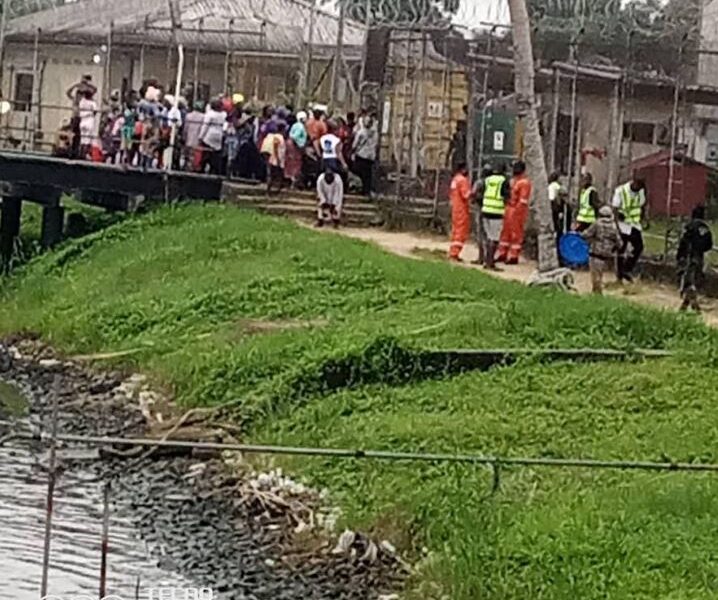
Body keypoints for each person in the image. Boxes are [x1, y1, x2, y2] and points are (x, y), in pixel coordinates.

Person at [677, 206, 714, 312]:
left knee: (687, 280)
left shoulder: (690, 226)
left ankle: (694, 304)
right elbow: (709, 244)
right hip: (700, 256)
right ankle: (685, 305)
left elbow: (684, 241)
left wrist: (680, 255)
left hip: (689, 255)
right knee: (695, 280)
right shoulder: (706, 228)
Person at [581, 205, 622, 295]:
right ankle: (596, 292)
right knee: (601, 274)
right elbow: (619, 243)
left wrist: (581, 234)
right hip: (607, 255)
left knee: (595, 275)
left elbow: (586, 234)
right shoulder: (613, 226)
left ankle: (597, 293)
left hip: (595, 253)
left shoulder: (597, 224)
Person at [497, 161, 532, 264]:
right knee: (505, 232)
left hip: (517, 210)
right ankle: (502, 253)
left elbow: (523, 200)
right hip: (509, 207)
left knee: (515, 233)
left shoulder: (524, 182)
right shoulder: (513, 181)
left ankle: (513, 255)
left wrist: (517, 212)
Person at [613, 176, 647, 282]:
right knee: (621, 250)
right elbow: (615, 208)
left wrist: (645, 218)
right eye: (638, 187)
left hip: (634, 224)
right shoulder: (621, 191)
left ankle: (627, 269)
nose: (639, 189)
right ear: (634, 183)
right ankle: (619, 275)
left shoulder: (641, 191)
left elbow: (642, 206)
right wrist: (616, 225)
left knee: (639, 247)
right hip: (622, 225)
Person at [479, 164, 510, 270]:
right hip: (496, 212)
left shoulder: (487, 180)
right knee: (495, 238)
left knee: (488, 237)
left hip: (485, 210)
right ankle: (490, 263)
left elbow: (481, 193)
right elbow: (506, 196)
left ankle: (485, 261)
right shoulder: (504, 180)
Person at [66, 74, 97, 158]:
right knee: (74, 135)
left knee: (82, 137)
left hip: (82, 119)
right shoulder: (76, 100)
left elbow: (94, 90)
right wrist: (75, 85)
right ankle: (72, 151)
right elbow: (68, 93)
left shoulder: (85, 100)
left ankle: (80, 153)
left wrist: (87, 85)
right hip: (75, 117)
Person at [448, 162, 472, 262]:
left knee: (455, 229)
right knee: (461, 231)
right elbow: (466, 195)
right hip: (461, 208)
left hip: (455, 207)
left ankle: (452, 251)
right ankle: (454, 253)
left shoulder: (455, 179)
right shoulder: (462, 180)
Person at [351, 114, 378, 196]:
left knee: (357, 171)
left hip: (361, 155)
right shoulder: (375, 134)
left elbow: (354, 145)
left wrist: (353, 151)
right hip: (370, 156)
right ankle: (366, 190)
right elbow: (376, 144)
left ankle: (360, 187)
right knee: (368, 175)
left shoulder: (361, 132)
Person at [198, 98, 227, 174]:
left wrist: (200, 137)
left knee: (206, 154)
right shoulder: (224, 115)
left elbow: (205, 126)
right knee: (216, 156)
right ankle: (214, 171)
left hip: (209, 136)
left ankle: (202, 169)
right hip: (219, 136)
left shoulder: (210, 114)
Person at [286, 111, 307, 187]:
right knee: (296, 164)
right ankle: (294, 181)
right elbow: (295, 136)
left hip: (292, 146)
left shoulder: (295, 125)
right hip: (295, 147)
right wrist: (300, 145)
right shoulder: (300, 126)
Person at [265, 122, 287, 194]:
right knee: (273, 175)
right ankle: (269, 190)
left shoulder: (280, 137)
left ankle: (276, 190)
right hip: (275, 159)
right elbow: (275, 147)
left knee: (278, 175)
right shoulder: (278, 137)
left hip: (279, 159)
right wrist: (277, 158)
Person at [183, 101, 204, 172]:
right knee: (196, 154)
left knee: (188, 153)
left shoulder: (188, 116)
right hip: (198, 137)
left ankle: (188, 166)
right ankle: (194, 167)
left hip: (189, 137)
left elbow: (186, 128)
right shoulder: (203, 117)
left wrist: (184, 136)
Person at [78, 89, 98, 159]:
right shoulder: (92, 102)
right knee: (87, 140)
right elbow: (95, 111)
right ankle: (84, 155)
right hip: (89, 121)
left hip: (82, 121)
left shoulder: (81, 101)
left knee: (82, 139)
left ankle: (80, 154)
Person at [548, 172, 568, 238]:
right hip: (556, 206)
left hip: (550, 206)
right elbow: (564, 191)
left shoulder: (549, 186)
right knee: (559, 224)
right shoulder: (556, 185)